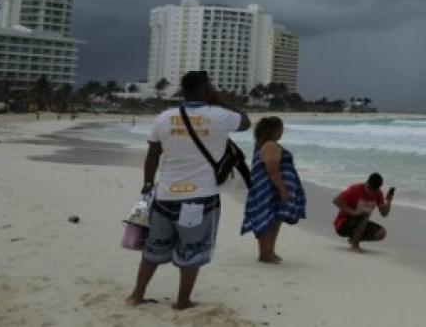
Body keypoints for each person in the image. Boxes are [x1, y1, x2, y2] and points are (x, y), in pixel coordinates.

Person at [126, 71, 250, 310]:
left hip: (165, 196)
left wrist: (148, 185)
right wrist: (220, 99)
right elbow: (245, 122)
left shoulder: (164, 117)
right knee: (191, 251)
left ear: (183, 90)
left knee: (154, 248)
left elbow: (153, 153)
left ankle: (136, 295)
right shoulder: (220, 116)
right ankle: (182, 301)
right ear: (207, 89)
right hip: (199, 198)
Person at [240, 116, 306, 262]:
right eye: (281, 128)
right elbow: (272, 169)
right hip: (270, 189)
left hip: (269, 188)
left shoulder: (265, 144)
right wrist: (282, 189)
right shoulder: (270, 145)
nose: (282, 131)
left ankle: (269, 251)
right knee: (268, 219)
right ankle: (265, 253)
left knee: (274, 220)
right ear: (274, 130)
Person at [332, 173, 393, 252]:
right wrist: (352, 212)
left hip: (361, 224)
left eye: (374, 190)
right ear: (367, 182)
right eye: (369, 188)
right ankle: (355, 246)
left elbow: (384, 213)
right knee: (364, 216)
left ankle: (354, 240)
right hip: (343, 224)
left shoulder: (378, 193)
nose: (371, 192)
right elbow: (336, 200)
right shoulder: (355, 189)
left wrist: (388, 201)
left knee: (381, 233)